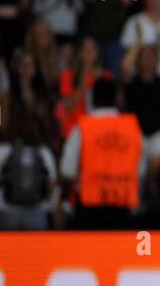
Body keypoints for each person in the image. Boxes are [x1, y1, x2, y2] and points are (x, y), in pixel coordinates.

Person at [59, 76, 145, 229]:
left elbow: (67, 170)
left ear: (93, 98)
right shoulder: (132, 128)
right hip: (122, 209)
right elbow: (141, 171)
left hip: (89, 210)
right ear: (116, 99)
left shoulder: (82, 128)